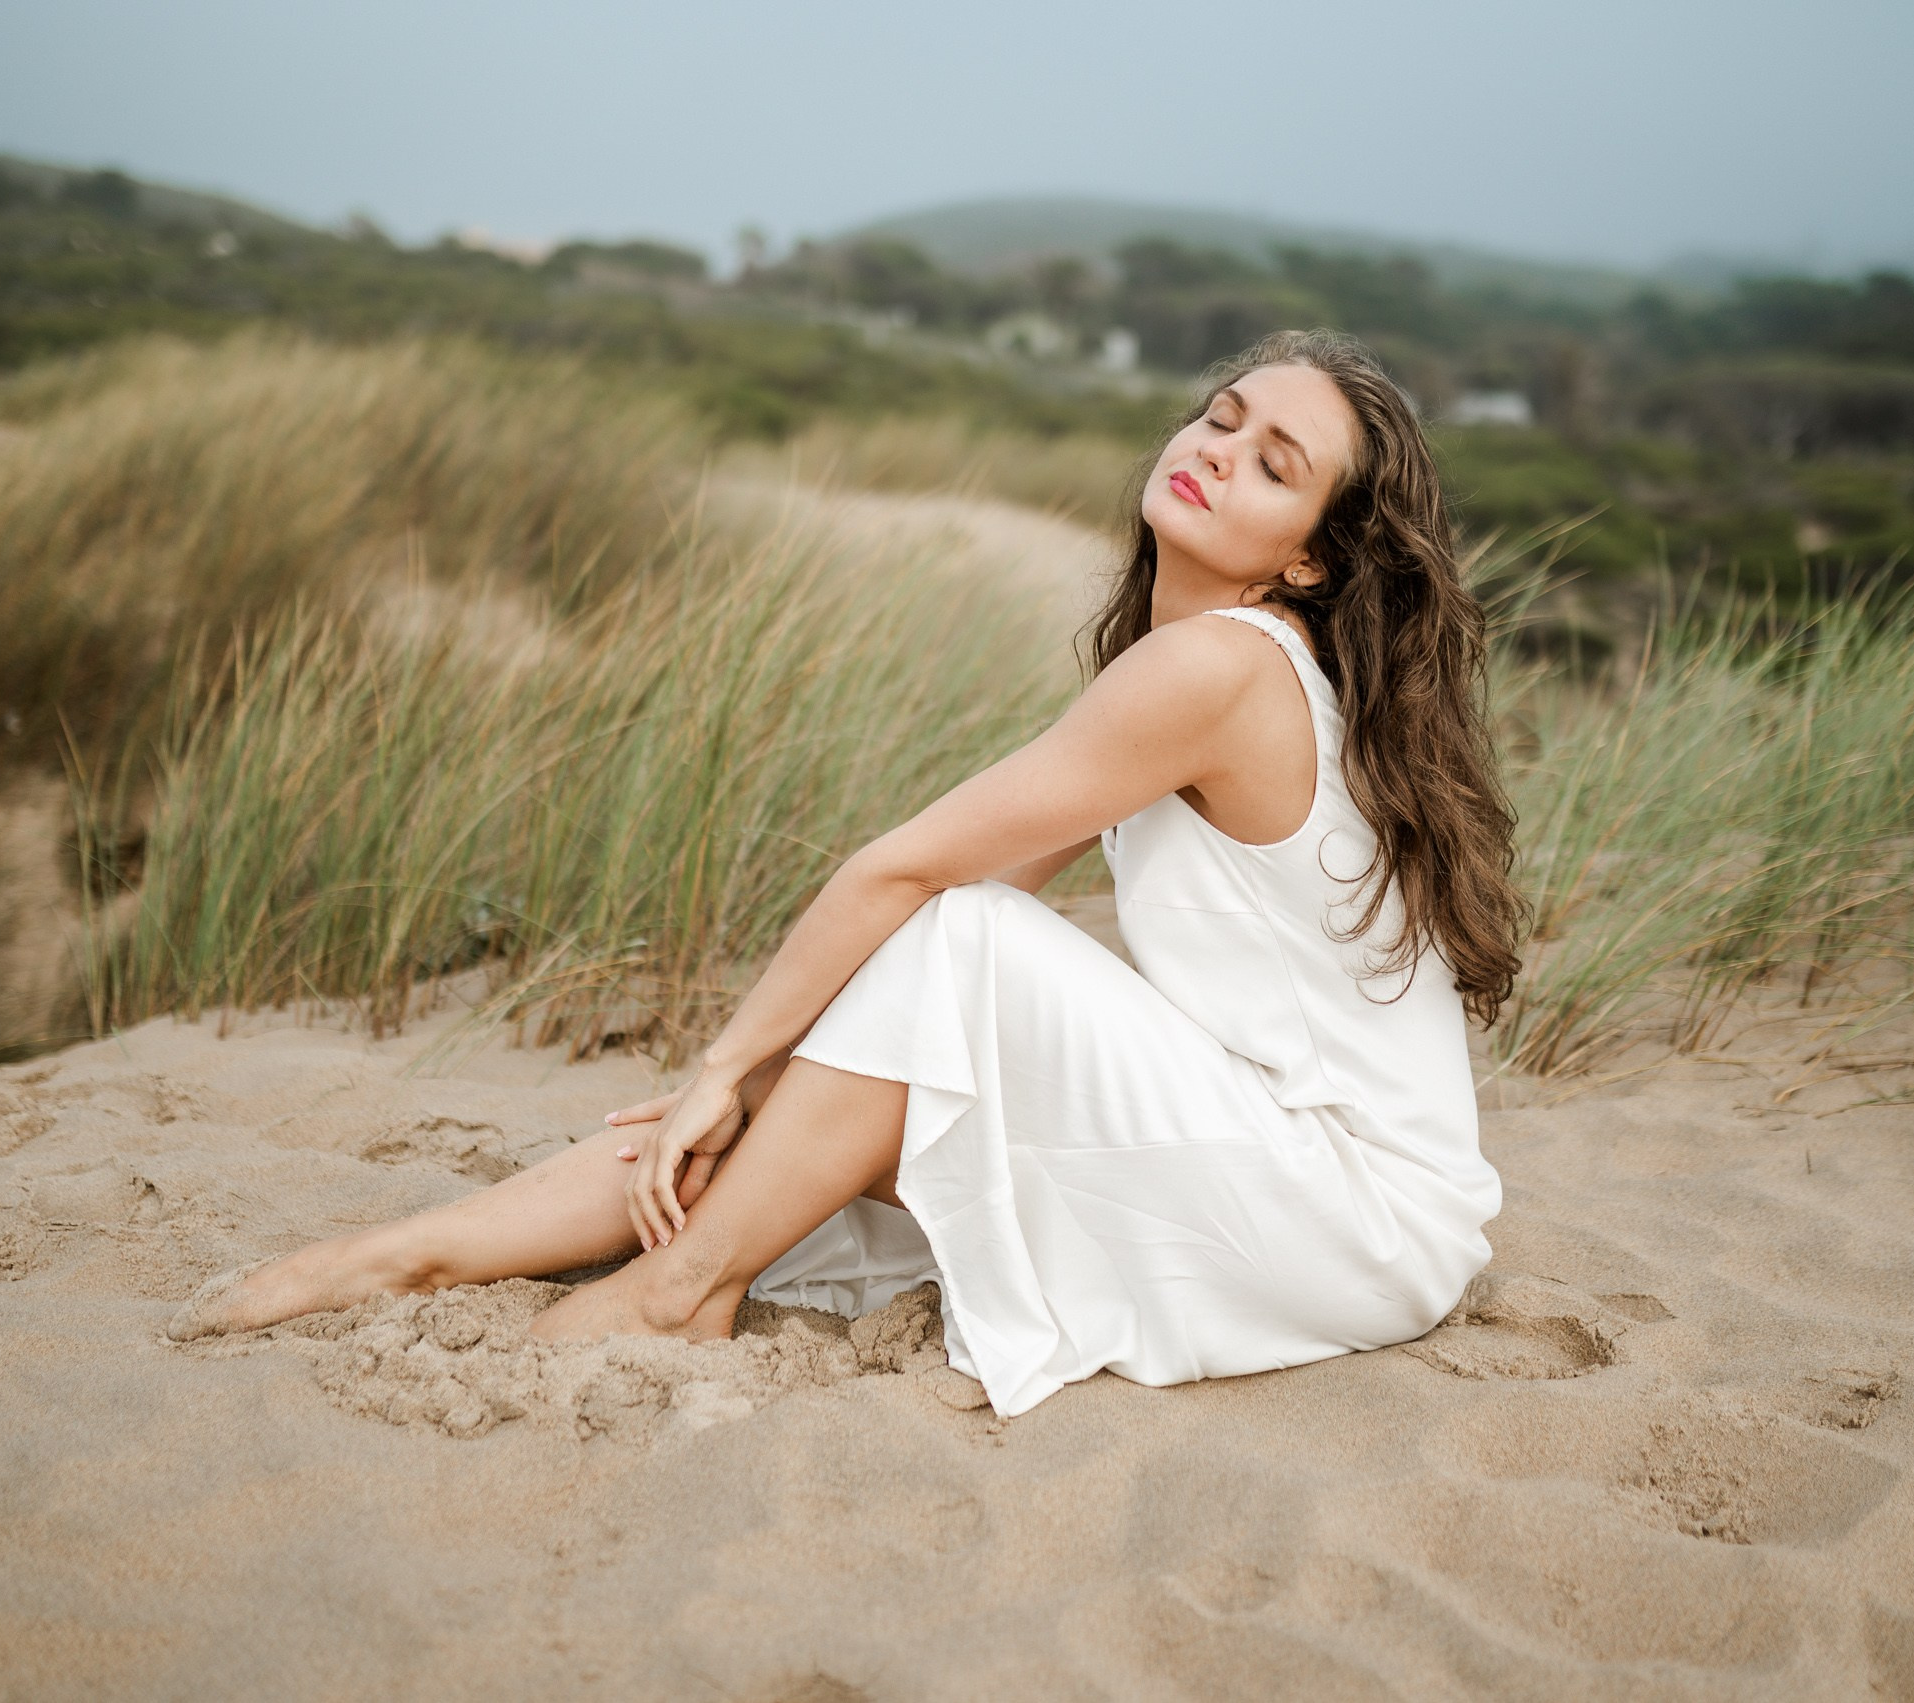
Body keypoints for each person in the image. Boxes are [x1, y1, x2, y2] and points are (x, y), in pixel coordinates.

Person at [171, 329, 1530, 1419]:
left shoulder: (1219, 668)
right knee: (855, 1035)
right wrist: (757, 1070)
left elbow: (910, 872)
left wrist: (720, 1060)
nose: (1218, 451)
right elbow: (922, 914)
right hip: (1283, 1177)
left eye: (1275, 462)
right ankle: (408, 1253)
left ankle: (682, 1288)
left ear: (1307, 557)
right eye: (1222, 416)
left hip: (1349, 1219)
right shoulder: (1188, 666)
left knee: (954, 947)